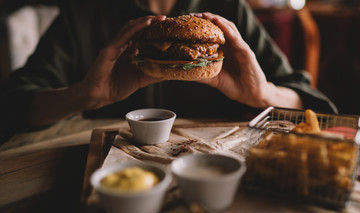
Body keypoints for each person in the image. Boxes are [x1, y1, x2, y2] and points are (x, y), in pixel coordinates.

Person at [0, 0, 337, 142]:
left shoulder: (227, 8)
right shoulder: (83, 12)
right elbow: (14, 105)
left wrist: (263, 94)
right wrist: (84, 95)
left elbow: (314, 103)